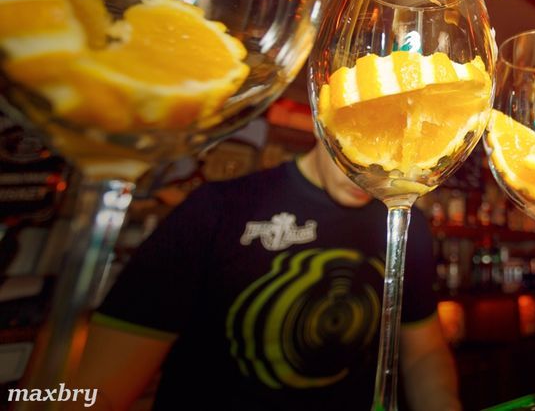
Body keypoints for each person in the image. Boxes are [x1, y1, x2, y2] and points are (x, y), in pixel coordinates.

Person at [74, 142, 461, 411]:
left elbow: (423, 352)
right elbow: (101, 386)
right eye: (358, 140)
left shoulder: (407, 223)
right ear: (323, 113)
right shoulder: (217, 208)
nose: (372, 167)